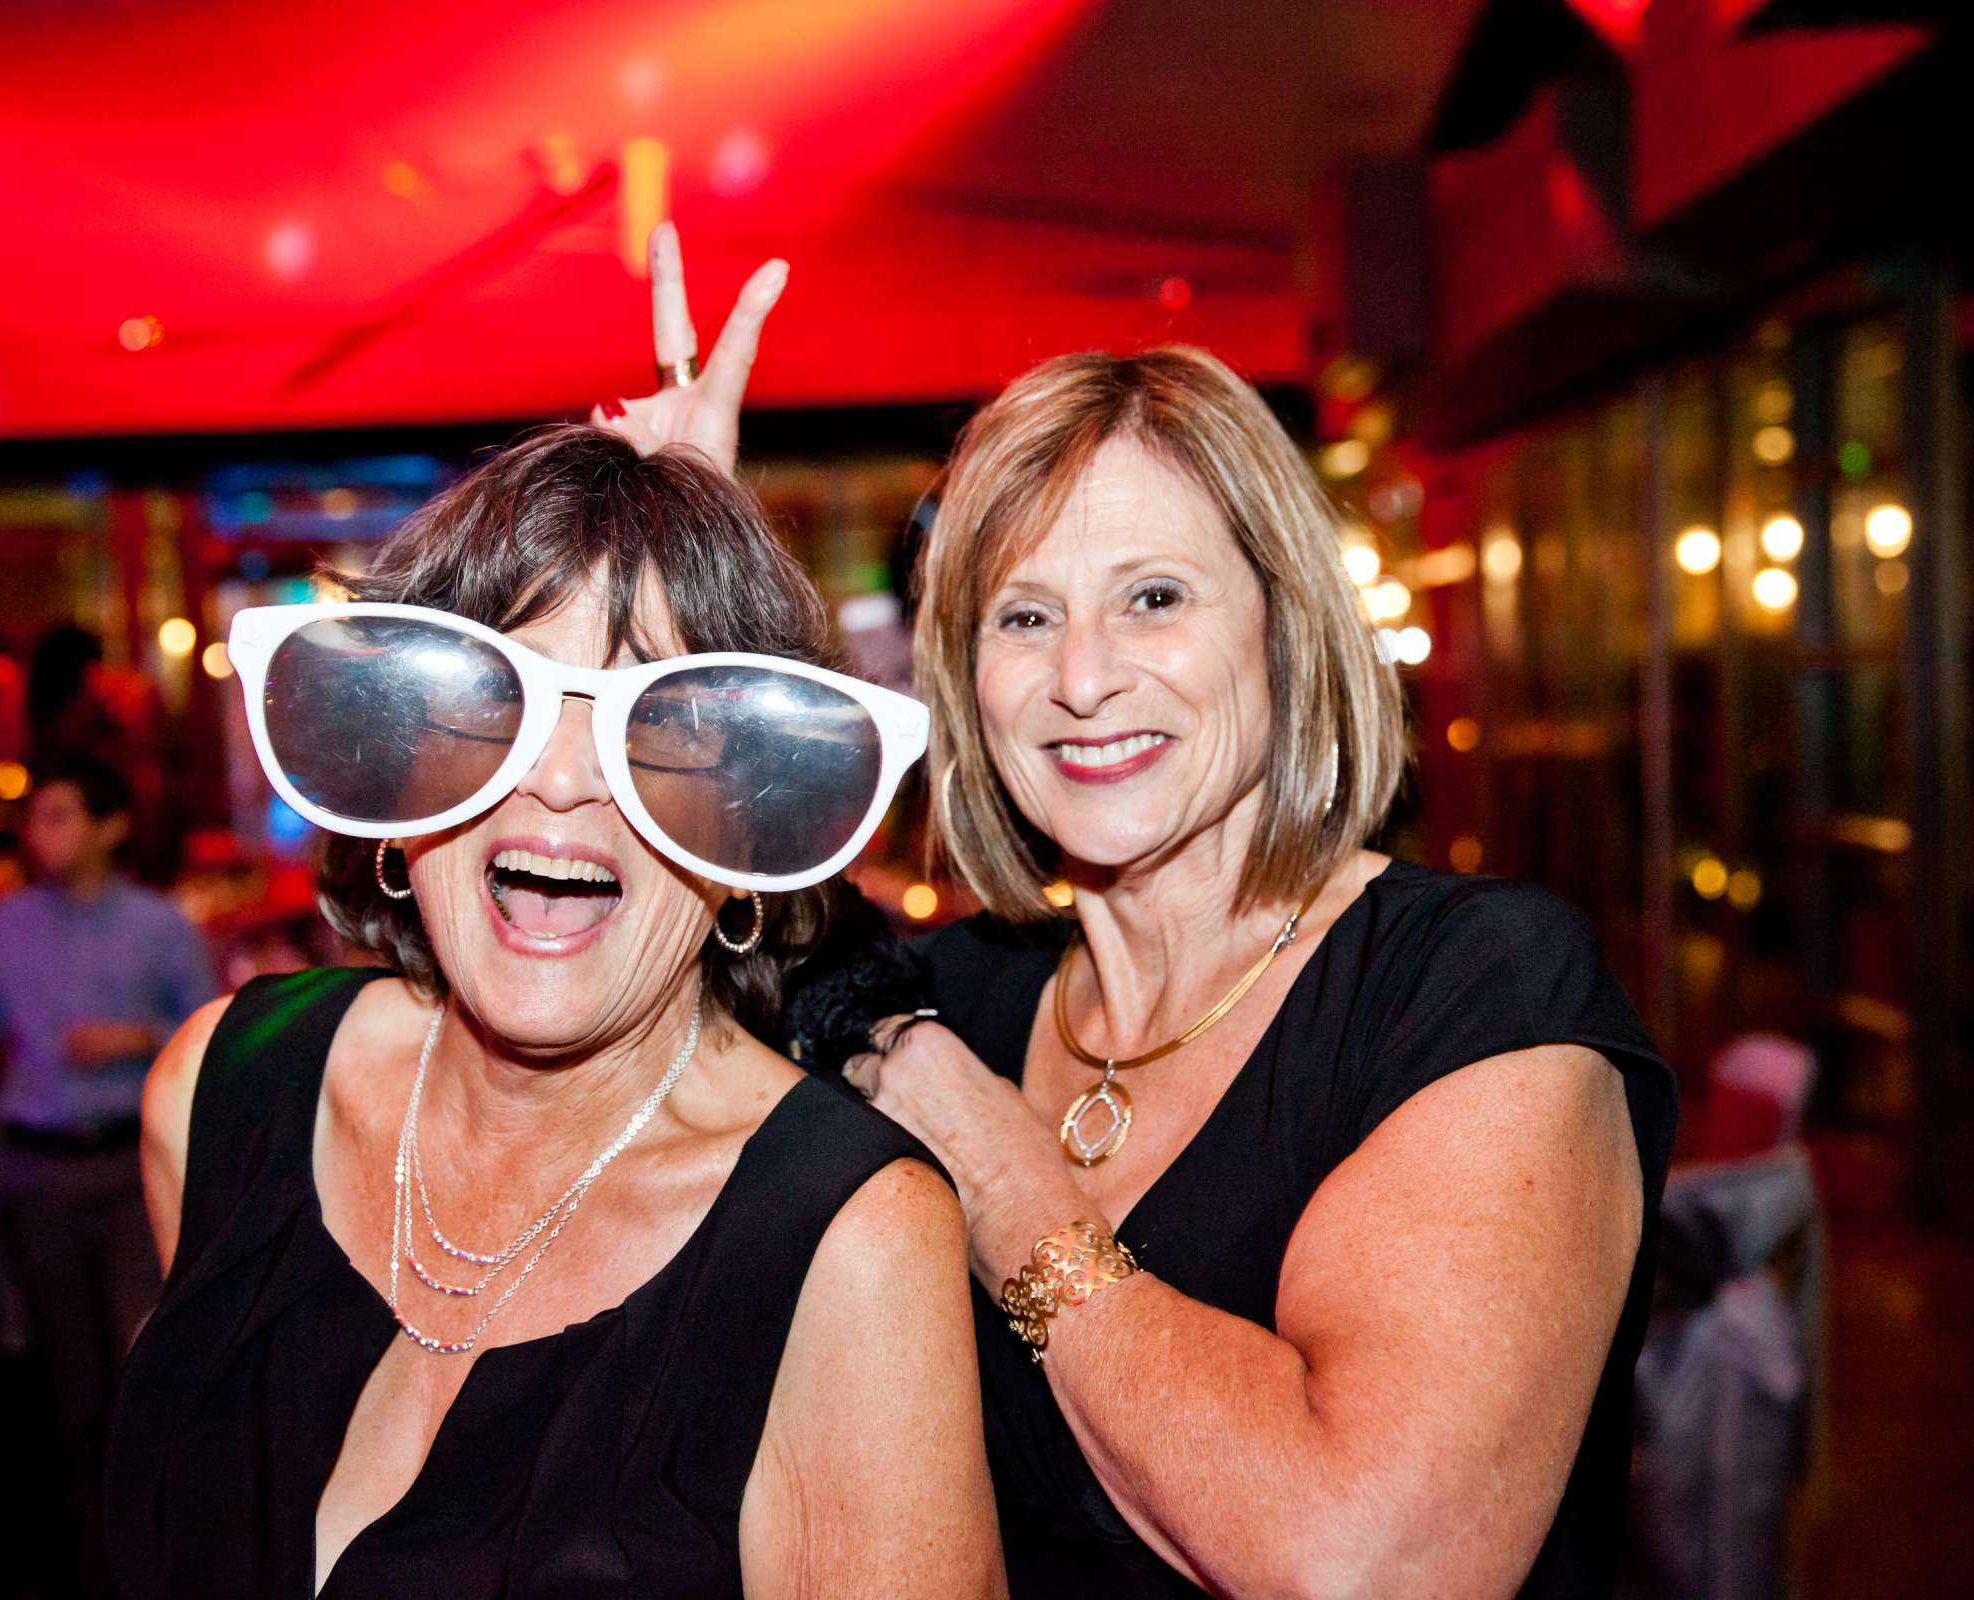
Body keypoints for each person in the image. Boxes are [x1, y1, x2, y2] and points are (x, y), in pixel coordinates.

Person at [596, 233, 1674, 1595]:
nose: (1083, 679)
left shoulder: (1468, 986)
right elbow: (650, 969)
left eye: (1153, 599)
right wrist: (680, 585)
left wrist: (986, 1153)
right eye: (1024, 618)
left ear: (1282, 634)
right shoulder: (956, 990)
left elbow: (1360, 1561)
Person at [105, 426, 1003, 1598]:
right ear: (397, 769)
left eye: (664, 727)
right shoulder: (224, 1095)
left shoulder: (849, 1240)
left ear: (749, 838)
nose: (565, 778)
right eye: (492, 701)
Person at [0, 755, 217, 1595]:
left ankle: (159, 1543)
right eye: (37, 818)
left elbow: (210, 1032)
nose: (40, 834)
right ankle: (88, 1555)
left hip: (129, 1168)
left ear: (110, 826)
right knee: (67, 1380)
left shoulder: (160, 926)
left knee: (146, 1361)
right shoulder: (9, 923)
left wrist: (132, 1038)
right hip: (37, 1168)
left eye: (59, 815)